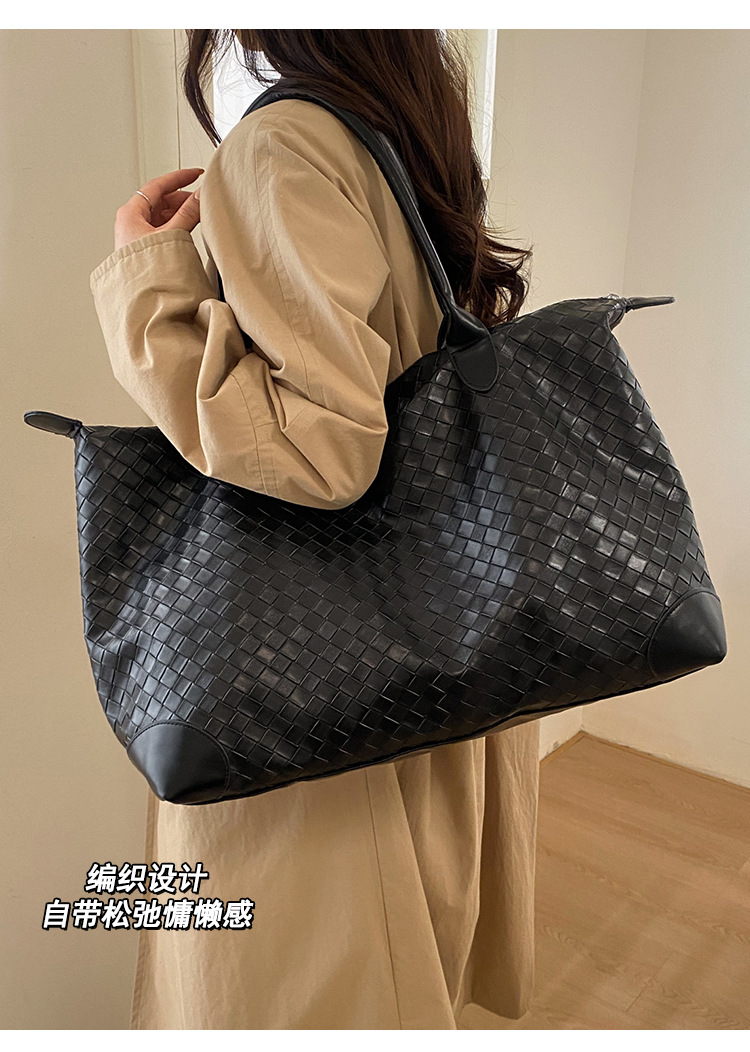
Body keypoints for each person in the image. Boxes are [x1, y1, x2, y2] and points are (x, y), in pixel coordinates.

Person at [89, 29, 540, 1030]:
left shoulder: (281, 145)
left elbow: (320, 451)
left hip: (313, 699)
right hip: (435, 633)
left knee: (303, 989)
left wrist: (149, 284)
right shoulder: (409, 123)